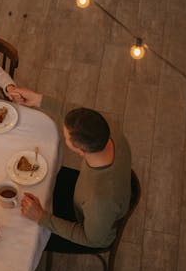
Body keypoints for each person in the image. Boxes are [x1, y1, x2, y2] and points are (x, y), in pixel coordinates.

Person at [12, 87, 131, 250]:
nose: (63, 133)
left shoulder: (101, 201)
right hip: (84, 196)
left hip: (87, 225)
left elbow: (92, 239)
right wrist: (37, 99)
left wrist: (42, 217)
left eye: (66, 137)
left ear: (81, 151)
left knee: (20, 235)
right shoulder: (110, 130)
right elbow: (76, 115)